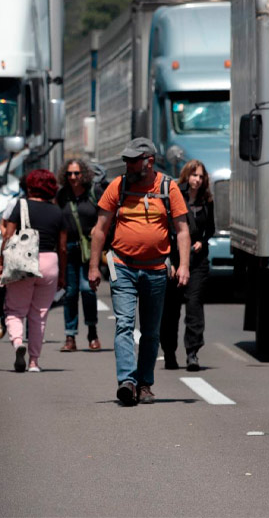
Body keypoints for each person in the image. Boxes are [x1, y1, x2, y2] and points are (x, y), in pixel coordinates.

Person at [87, 138, 191, 406]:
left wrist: (184, 265)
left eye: (133, 160)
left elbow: (182, 230)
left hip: (156, 269)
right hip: (121, 266)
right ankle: (127, 382)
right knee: (123, 325)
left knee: (151, 331)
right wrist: (94, 266)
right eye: (126, 160)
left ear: (149, 161)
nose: (128, 165)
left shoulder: (169, 188)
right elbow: (99, 229)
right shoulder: (118, 186)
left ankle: (145, 384)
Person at [0, 169, 67, 373]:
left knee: (15, 311)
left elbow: (8, 238)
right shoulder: (58, 212)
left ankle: (19, 341)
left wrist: (2, 263)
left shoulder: (20, 206)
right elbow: (62, 247)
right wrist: (62, 274)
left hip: (23, 262)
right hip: (49, 262)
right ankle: (34, 362)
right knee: (40, 314)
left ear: (29, 186)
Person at [159, 160, 216, 371]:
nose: (197, 180)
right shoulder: (175, 195)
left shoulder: (207, 199)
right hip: (175, 259)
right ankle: (169, 352)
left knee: (194, 306)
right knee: (171, 309)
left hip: (198, 262)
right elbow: (166, 228)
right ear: (187, 176)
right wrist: (169, 260)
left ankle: (192, 352)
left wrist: (203, 240)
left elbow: (211, 228)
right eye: (194, 176)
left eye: (201, 177)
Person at [56, 158, 102, 352]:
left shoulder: (93, 193)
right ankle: (70, 337)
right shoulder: (62, 195)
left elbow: (105, 216)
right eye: (69, 174)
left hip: (89, 250)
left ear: (83, 174)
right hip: (68, 250)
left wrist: (97, 230)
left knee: (88, 290)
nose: (73, 177)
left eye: (77, 173)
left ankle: (92, 333)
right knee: (70, 292)